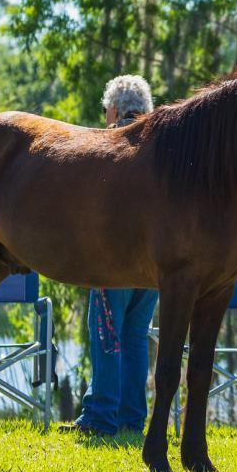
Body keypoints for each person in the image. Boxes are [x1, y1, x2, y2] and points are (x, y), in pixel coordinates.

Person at [62, 75, 160, 436]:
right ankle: (132, 419)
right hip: (152, 263)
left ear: (115, 109)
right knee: (135, 337)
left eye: (106, 111)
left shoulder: (110, 143)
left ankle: (100, 416)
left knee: (106, 335)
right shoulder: (158, 142)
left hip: (114, 259)